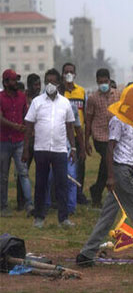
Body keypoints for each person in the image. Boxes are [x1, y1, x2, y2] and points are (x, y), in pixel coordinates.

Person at [76, 116, 133, 266]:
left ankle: (86, 254)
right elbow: (110, 148)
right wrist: (110, 176)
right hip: (120, 171)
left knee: (108, 216)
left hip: (125, 171)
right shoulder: (118, 120)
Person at [22, 69, 77, 228]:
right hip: (41, 149)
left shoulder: (65, 103)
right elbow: (29, 126)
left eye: (53, 81)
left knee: (62, 184)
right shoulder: (37, 102)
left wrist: (72, 148)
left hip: (60, 150)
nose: (50, 85)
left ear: (58, 83)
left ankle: (63, 219)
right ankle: (39, 218)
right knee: (41, 184)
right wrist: (26, 149)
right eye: (48, 81)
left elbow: (69, 126)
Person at [0, 69, 33, 216]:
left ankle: (29, 205)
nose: (16, 83)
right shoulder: (0, 97)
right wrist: (15, 126)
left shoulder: (21, 97)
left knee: (23, 173)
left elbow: (25, 114)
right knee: (3, 175)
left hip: (19, 141)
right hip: (4, 141)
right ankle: (3, 206)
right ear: (6, 82)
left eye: (16, 80)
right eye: (13, 80)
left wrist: (27, 127)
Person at [86, 68, 119, 207]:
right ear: (97, 82)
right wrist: (86, 140)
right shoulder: (93, 98)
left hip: (114, 134)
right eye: (100, 82)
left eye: (105, 82)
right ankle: (99, 191)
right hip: (99, 135)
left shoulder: (118, 95)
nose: (103, 84)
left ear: (109, 81)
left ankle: (96, 190)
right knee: (107, 158)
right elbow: (88, 119)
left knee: (106, 163)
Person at [60, 63, 88, 204]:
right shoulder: (59, 92)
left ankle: (78, 193)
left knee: (80, 166)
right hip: (62, 137)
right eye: (66, 72)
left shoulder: (81, 92)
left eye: (71, 71)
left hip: (78, 135)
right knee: (63, 168)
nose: (69, 74)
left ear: (75, 74)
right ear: (62, 74)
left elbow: (85, 115)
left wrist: (86, 141)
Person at [16, 73, 40, 211]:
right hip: (25, 140)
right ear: (30, 85)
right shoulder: (22, 98)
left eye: (39, 84)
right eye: (35, 84)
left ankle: (38, 200)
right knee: (23, 172)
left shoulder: (42, 98)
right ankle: (21, 202)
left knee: (41, 172)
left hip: (39, 140)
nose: (38, 87)